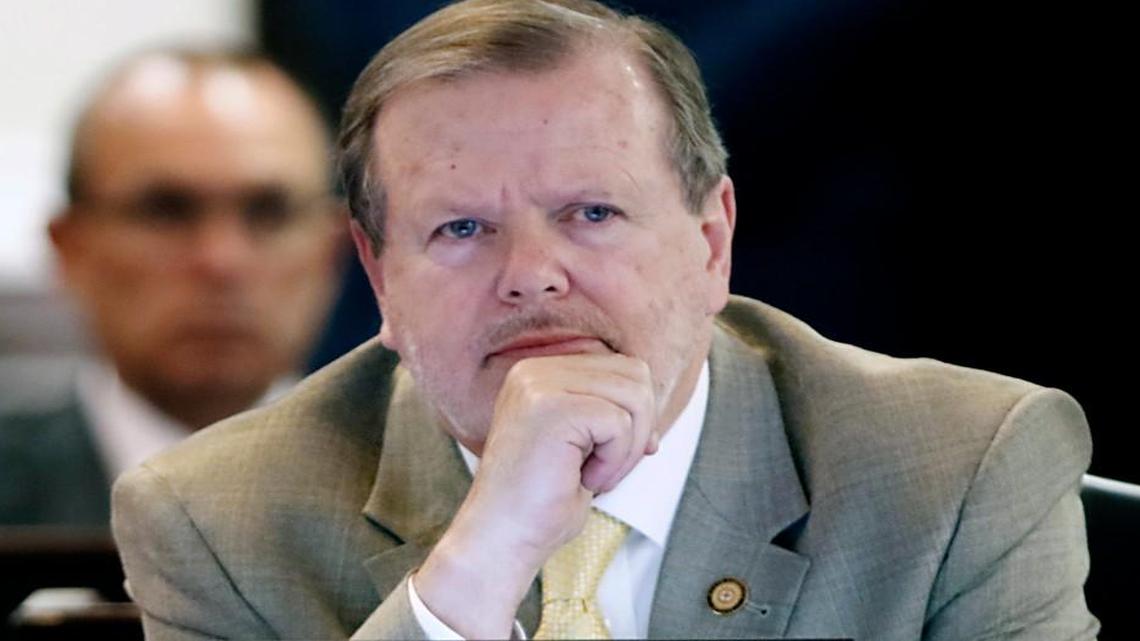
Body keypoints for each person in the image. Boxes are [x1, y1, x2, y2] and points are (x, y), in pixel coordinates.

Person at [111, 1, 1098, 639]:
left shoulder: (961, 467)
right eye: (461, 227)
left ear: (711, 241)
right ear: (376, 275)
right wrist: (481, 559)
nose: (531, 277)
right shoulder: (214, 517)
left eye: (591, 212)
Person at [0, 47, 343, 526]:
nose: (222, 261)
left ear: (332, 251)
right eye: (166, 210)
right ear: (71, 249)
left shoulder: (443, 498)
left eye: (268, 211)